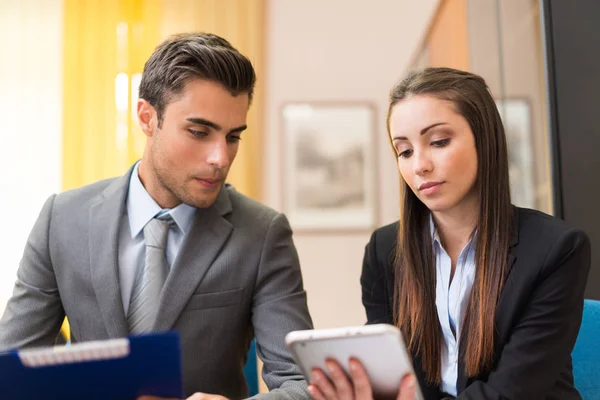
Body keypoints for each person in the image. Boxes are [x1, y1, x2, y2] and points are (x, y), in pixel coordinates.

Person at [0, 32, 313, 399]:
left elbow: (301, 385)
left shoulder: (262, 234)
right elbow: (11, 370)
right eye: (199, 132)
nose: (220, 158)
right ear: (148, 118)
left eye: (232, 137)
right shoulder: (61, 220)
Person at [308, 67, 591, 400]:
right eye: (405, 151)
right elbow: (395, 381)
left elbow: (512, 392)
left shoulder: (556, 248)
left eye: (439, 142)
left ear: (484, 139)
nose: (419, 166)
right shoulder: (384, 251)